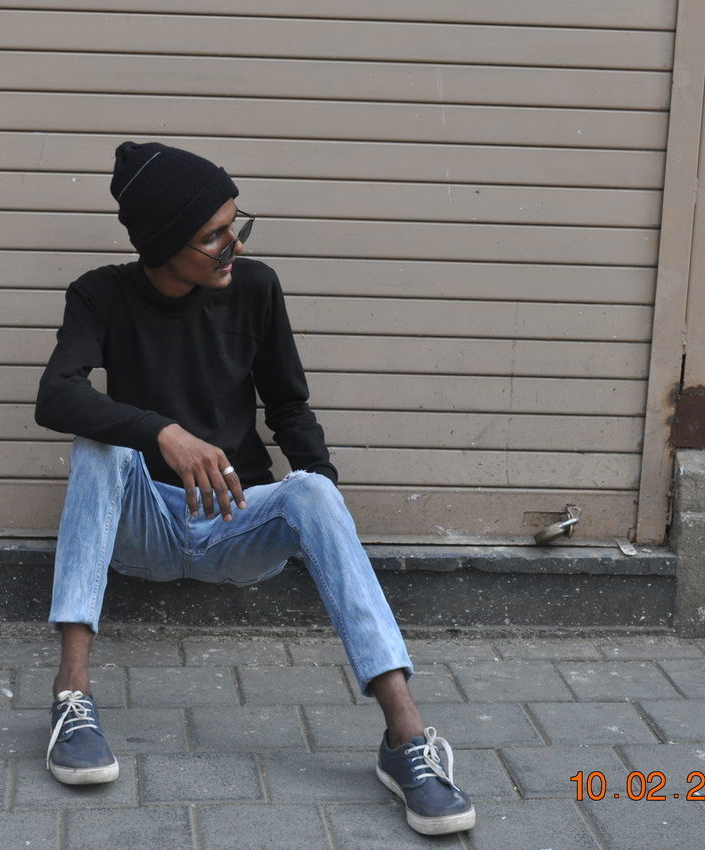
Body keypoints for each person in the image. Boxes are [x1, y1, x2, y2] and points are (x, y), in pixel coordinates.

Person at [33, 141, 475, 835]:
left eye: (235, 224)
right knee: (98, 447)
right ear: (163, 243)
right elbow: (55, 396)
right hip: (145, 522)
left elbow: (290, 409)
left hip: (235, 520)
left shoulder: (258, 288)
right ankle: (72, 697)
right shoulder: (100, 294)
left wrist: (319, 507)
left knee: (314, 491)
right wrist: (162, 433)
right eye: (213, 235)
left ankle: (406, 739)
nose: (231, 244)